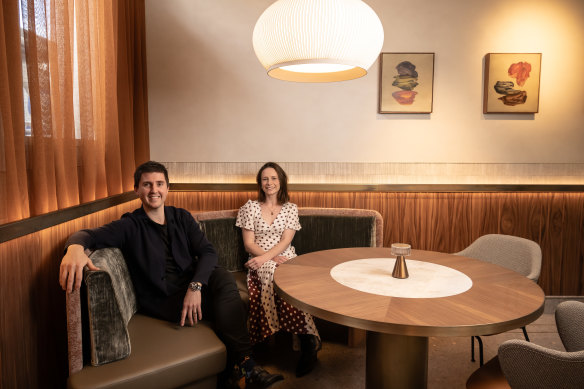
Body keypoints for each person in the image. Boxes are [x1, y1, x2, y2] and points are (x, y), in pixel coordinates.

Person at [59, 161, 283, 389]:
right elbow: (86, 235)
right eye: (147, 184)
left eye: (159, 184)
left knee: (223, 278)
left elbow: (207, 251)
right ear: (137, 189)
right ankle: (245, 368)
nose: (154, 190)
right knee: (230, 303)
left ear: (167, 188)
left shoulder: (181, 217)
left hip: (191, 285)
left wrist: (195, 286)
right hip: (164, 298)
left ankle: (241, 368)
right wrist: (74, 249)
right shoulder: (130, 225)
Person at [235, 162, 321, 377]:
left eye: (274, 178)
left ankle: (308, 343)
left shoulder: (291, 208)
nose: (269, 183)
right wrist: (266, 259)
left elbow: (286, 241)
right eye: (265, 179)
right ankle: (307, 339)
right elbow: (248, 243)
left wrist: (270, 257)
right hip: (259, 259)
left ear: (281, 181)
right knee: (274, 273)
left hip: (286, 257)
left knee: (291, 280)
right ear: (260, 183)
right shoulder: (249, 208)